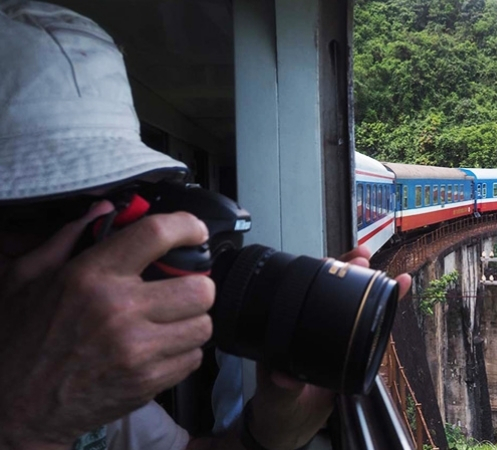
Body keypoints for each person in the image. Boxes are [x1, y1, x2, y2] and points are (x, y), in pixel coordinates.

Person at [0, 2, 411, 450]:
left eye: (123, 205)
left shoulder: (78, 371)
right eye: (47, 214)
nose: (96, 249)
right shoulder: (44, 372)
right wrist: (24, 422)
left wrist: (271, 431)